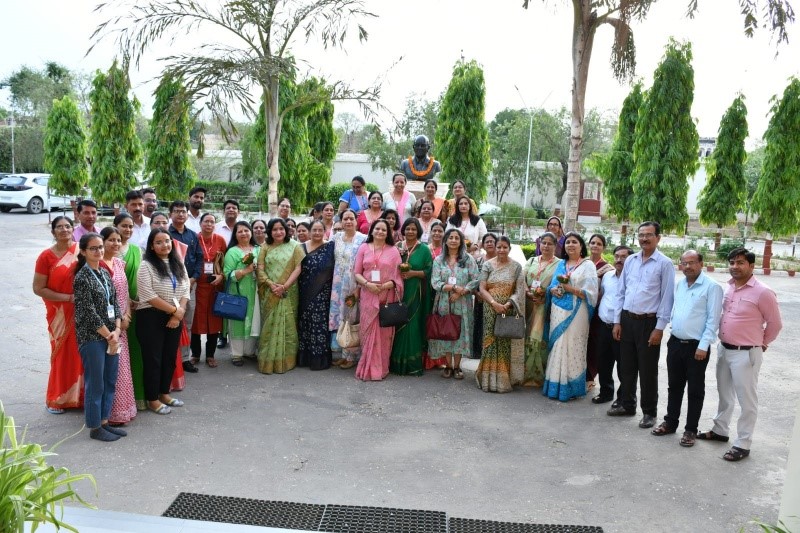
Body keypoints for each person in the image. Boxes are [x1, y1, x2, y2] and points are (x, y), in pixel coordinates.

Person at [699, 248, 782, 461]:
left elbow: (775, 324)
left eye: (740, 263)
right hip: (724, 349)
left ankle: (743, 443)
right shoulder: (728, 288)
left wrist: (762, 343)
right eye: (732, 262)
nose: (735, 266)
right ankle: (720, 430)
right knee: (724, 394)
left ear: (751, 266)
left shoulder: (763, 292)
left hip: (746, 354)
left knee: (747, 400)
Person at [650, 250, 723, 447]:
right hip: (675, 343)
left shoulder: (712, 287)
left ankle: (690, 429)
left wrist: (704, 345)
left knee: (695, 390)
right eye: (684, 263)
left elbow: (713, 319)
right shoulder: (680, 284)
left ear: (701, 263)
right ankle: (670, 422)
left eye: (692, 262)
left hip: (696, 347)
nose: (688, 266)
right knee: (674, 386)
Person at [609, 221, 675, 430]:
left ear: (658, 237)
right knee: (627, 367)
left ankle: (649, 412)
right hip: (627, 320)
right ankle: (627, 405)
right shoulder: (631, 260)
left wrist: (659, 328)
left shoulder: (665, 264)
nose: (644, 239)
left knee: (647, 370)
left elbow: (667, 298)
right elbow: (621, 291)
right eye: (641, 235)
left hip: (649, 323)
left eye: (649, 235)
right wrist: (617, 321)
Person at [72, 233, 124, 441]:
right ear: (83, 252)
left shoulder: (103, 272)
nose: (99, 251)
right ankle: (95, 427)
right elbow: (88, 312)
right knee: (96, 383)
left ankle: (104, 421)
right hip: (93, 337)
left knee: (109, 380)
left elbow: (115, 303)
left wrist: (117, 330)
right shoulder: (82, 277)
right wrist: (109, 335)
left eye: (100, 247)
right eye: (93, 248)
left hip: (112, 335)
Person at [136, 228, 190, 415]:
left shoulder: (178, 263)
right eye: (158, 242)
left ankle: (164, 393)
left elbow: (186, 288)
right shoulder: (146, 265)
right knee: (153, 360)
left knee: (169, 357)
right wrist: (175, 311)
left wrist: (177, 315)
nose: (164, 245)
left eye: (167, 241)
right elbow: (148, 295)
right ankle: (152, 399)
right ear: (152, 246)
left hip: (174, 317)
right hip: (151, 317)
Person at [33, 216, 83, 414]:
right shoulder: (45, 257)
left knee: (83, 353)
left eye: (67, 226)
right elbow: (38, 288)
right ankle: (57, 399)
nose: (64, 230)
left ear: (73, 229)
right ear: (53, 231)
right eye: (59, 227)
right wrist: (68, 298)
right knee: (62, 354)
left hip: (84, 311)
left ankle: (81, 398)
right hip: (59, 314)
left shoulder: (82, 250)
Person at [543, 232, 598, 401]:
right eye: (567, 242)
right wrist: (552, 290)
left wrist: (571, 289)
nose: (570, 245)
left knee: (574, 345)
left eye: (574, 242)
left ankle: (571, 388)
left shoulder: (588, 265)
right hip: (558, 311)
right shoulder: (562, 264)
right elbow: (553, 286)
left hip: (578, 312)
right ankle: (554, 386)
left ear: (581, 246)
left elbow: (592, 293)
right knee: (558, 344)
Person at [353, 219, 404, 381]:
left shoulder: (393, 251)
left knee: (383, 334)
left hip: (386, 296)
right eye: (377, 229)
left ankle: (380, 369)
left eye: (384, 230)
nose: (380, 232)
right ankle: (366, 367)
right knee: (368, 330)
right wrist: (367, 284)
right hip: (368, 294)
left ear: (388, 233)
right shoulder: (363, 248)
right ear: (372, 231)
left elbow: (398, 278)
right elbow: (357, 273)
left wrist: (386, 285)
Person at [475, 236, 526, 393]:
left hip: (507, 310)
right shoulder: (487, 265)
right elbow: (482, 288)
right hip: (490, 309)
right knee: (489, 342)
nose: (502, 250)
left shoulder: (516, 267)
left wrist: (508, 304)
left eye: (505, 247)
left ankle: (502, 381)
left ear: (509, 248)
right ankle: (487, 380)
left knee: (503, 342)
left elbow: (519, 290)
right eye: (499, 247)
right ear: (495, 248)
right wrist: (494, 303)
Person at [429, 228, 479, 379]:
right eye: (450, 237)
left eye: (457, 238)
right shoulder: (439, 260)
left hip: (462, 301)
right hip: (444, 301)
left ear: (461, 241)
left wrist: (461, 291)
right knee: (446, 329)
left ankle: (457, 366)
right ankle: (448, 366)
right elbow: (435, 282)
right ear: (445, 241)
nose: (453, 240)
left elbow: (476, 279)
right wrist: (453, 287)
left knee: (460, 333)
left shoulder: (468, 259)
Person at [256, 218, 304, 374]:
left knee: (288, 325)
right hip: (269, 292)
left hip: (289, 291)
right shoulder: (265, 247)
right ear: (270, 232)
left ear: (286, 230)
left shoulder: (295, 246)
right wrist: (271, 284)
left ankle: (287, 361)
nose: (278, 232)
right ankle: (268, 361)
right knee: (269, 325)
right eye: (275, 229)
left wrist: (285, 286)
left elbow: (298, 268)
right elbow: (260, 269)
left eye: (281, 229)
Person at [100, 227, 137, 426]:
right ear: (102, 242)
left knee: (121, 368)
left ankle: (122, 410)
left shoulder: (119, 264)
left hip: (122, 323)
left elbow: (126, 293)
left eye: (118, 240)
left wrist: (127, 315)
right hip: (107, 327)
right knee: (108, 370)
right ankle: (108, 415)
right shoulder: (97, 266)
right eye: (111, 240)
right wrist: (117, 322)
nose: (115, 243)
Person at [591, 245, 633, 406]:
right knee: (603, 362)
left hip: (623, 328)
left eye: (623, 257)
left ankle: (623, 397)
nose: (619, 260)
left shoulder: (633, 279)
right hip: (604, 325)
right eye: (617, 256)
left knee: (624, 365)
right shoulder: (608, 276)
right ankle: (605, 392)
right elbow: (601, 295)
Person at [390, 218, 433, 376]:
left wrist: (413, 273)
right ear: (403, 230)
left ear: (418, 231)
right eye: (407, 228)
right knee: (398, 324)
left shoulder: (424, 249)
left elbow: (429, 271)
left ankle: (412, 365)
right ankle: (396, 364)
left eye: (414, 229)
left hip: (415, 293)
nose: (410, 231)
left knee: (412, 325)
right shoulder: (397, 247)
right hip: (397, 292)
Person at [114, 213, 146, 410]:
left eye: (130, 226)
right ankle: (117, 401)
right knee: (116, 354)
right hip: (113, 309)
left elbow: (141, 276)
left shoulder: (136, 250)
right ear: (115, 226)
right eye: (124, 226)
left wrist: (139, 300)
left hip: (135, 306)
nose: (127, 230)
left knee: (135, 350)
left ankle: (138, 396)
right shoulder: (108, 250)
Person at [329, 209, 367, 369]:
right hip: (337, 286)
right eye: (345, 219)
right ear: (341, 221)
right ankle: (344, 354)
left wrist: (359, 287)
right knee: (341, 318)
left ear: (356, 221)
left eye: (351, 218)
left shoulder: (363, 239)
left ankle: (352, 356)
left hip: (353, 284)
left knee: (352, 319)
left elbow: (365, 263)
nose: (348, 221)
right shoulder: (336, 237)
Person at [522, 231, 561, 387]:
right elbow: (522, 278)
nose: (546, 246)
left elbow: (558, 285)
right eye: (543, 243)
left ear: (555, 246)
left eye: (550, 243)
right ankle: (525, 373)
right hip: (528, 303)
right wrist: (527, 291)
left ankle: (538, 376)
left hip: (544, 305)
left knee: (538, 337)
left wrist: (544, 295)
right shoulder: (532, 260)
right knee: (526, 335)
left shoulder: (559, 264)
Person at [168, 200, 203, 373]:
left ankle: (184, 358)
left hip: (190, 286)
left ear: (187, 215)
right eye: (177, 211)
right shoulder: (166, 234)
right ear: (170, 214)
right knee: (170, 322)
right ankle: (170, 359)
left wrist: (193, 279)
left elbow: (199, 258)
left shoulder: (193, 235)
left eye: (183, 211)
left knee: (187, 323)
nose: (180, 214)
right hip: (169, 286)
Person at [298, 220, 335, 370]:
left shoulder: (330, 247)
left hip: (323, 293)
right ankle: (304, 358)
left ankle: (319, 360)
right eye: (314, 230)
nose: (317, 233)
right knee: (304, 323)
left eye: (320, 230)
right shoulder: (300, 247)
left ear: (325, 231)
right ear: (310, 231)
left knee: (319, 325)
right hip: (304, 291)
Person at [223, 221, 261, 366]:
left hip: (256, 292)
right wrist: (246, 270)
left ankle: (250, 351)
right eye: (240, 231)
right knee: (238, 320)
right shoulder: (232, 252)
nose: (244, 233)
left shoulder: (258, 249)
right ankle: (237, 354)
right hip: (238, 292)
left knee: (254, 320)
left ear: (251, 232)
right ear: (235, 235)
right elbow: (228, 274)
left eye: (246, 230)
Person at [192, 213, 226, 368]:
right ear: (200, 223)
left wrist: (222, 276)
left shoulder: (220, 240)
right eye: (206, 221)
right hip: (197, 286)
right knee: (196, 321)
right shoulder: (194, 239)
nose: (209, 224)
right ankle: (195, 354)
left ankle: (210, 355)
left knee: (214, 321)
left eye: (212, 222)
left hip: (214, 287)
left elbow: (225, 262)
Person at [585, 233, 615, 390]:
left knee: (594, 344)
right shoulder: (582, 263)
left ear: (604, 247)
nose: (595, 246)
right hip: (580, 308)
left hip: (597, 312)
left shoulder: (608, 269)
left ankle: (590, 376)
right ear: (588, 245)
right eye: (593, 243)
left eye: (599, 243)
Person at [471, 233, 498, 361]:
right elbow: (472, 279)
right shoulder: (478, 260)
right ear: (483, 245)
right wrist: (476, 293)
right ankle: (478, 352)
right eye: (487, 242)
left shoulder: (500, 260)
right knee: (480, 323)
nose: (490, 244)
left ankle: (492, 353)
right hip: (480, 297)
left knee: (494, 324)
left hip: (496, 298)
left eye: (492, 241)